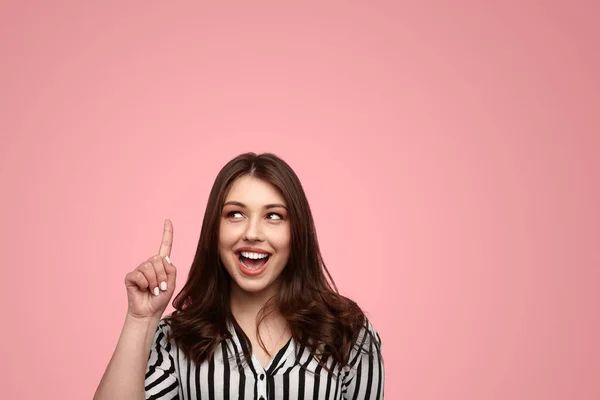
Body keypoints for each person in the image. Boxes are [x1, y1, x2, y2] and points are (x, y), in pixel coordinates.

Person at [94, 152, 384, 400]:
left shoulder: (348, 334)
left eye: (273, 216)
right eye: (235, 214)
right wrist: (140, 320)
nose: (253, 233)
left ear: (296, 232)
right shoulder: (176, 339)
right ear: (214, 230)